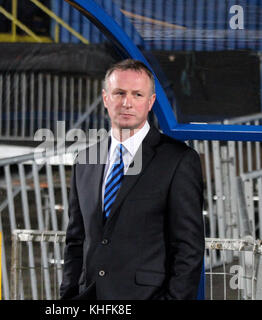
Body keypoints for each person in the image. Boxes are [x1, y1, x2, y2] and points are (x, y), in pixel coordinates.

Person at [60, 59, 204, 300]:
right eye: (119, 93)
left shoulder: (178, 160)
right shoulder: (85, 160)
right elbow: (76, 240)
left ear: (150, 102)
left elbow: (188, 248)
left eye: (137, 94)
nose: (127, 103)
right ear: (106, 98)